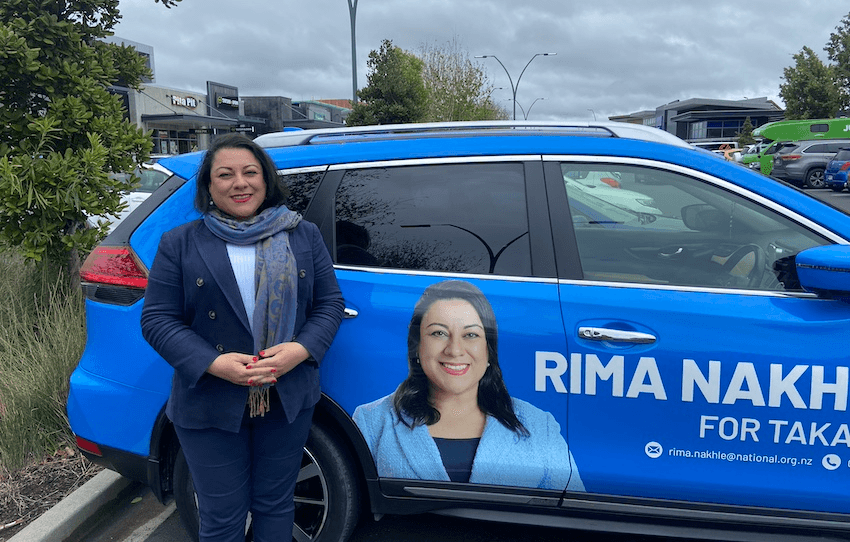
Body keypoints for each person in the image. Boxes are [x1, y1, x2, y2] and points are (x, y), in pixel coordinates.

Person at [141, 133, 345, 542]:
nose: (240, 182)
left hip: (286, 394)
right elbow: (157, 319)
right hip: (210, 402)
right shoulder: (179, 244)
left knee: (276, 506)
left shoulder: (302, 235)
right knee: (221, 517)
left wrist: (301, 350)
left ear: (266, 181)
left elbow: (330, 304)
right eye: (225, 174)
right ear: (208, 187)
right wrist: (214, 364)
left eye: (250, 172)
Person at [353, 280, 583, 491]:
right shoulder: (371, 421)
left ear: (489, 350)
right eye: (439, 333)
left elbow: (575, 514)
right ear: (416, 346)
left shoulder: (539, 425)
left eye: (471, 335)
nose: (454, 350)